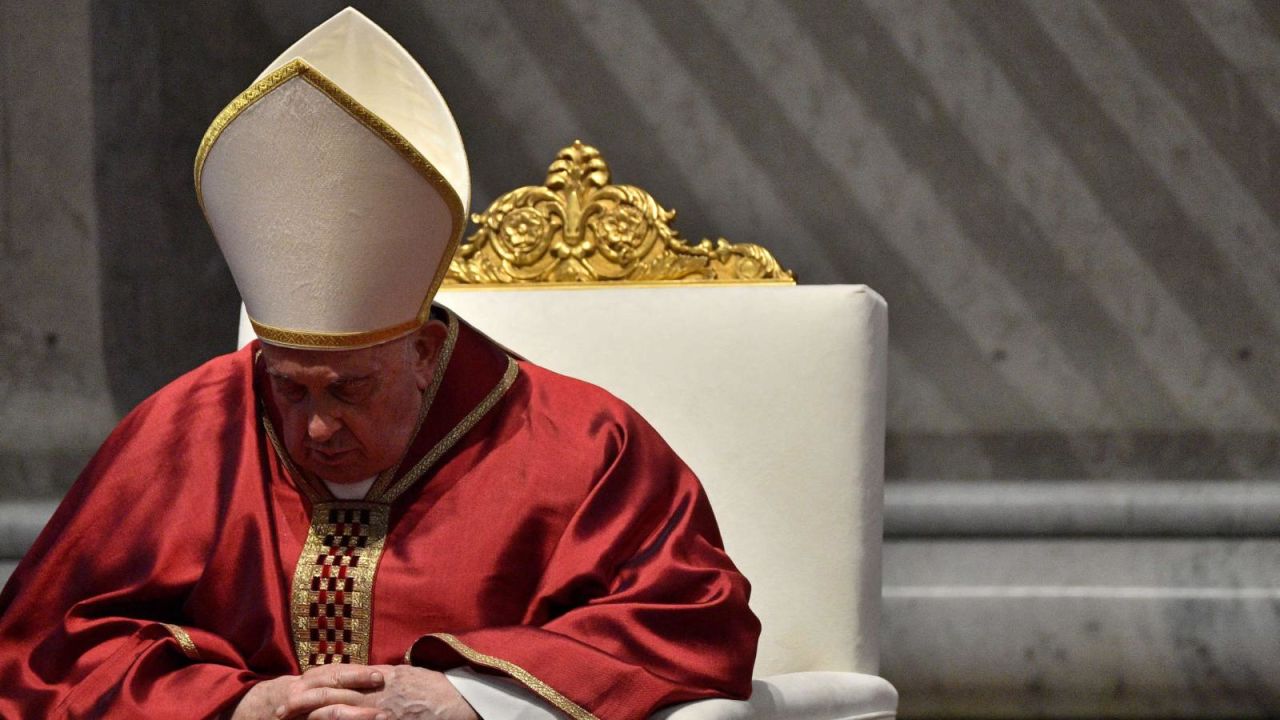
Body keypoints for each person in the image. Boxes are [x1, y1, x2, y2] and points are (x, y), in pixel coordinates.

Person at [0, 8, 759, 719]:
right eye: (289, 388)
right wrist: (234, 703)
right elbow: (44, 646)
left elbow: (694, 618)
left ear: (424, 353)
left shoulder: (581, 444)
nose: (318, 426)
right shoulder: (187, 429)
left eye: (349, 388)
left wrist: (476, 698)